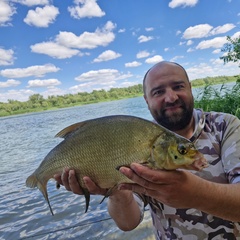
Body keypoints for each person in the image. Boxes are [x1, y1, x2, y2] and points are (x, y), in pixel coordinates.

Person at [54, 61, 240, 239]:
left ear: (190, 88)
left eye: (178, 86)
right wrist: (116, 191)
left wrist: (196, 194)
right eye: (158, 91)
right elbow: (128, 223)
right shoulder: (137, 141)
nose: (171, 97)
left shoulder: (226, 126)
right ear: (146, 100)